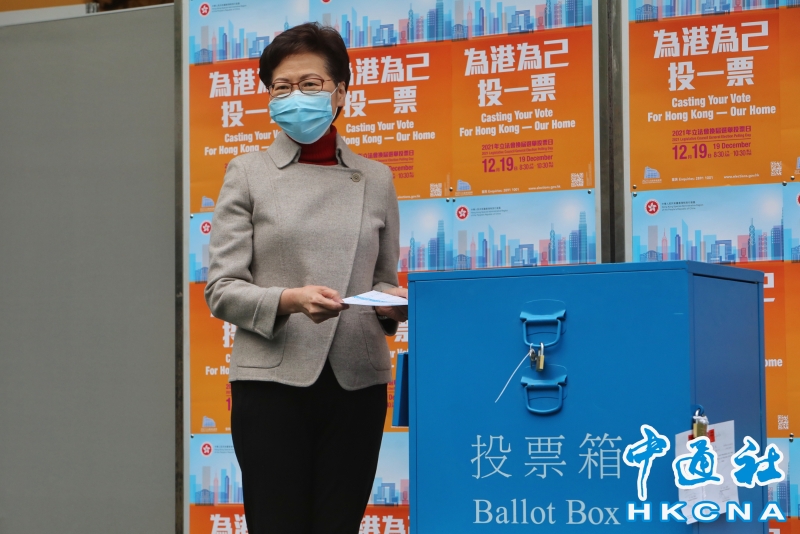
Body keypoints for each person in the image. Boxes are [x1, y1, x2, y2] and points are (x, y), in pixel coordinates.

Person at [204, 22, 407, 534]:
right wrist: (291, 300)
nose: (296, 96)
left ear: (340, 91)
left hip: (356, 381)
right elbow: (222, 288)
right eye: (282, 87)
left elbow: (382, 279)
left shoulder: (377, 177)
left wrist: (392, 304)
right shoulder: (247, 172)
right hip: (273, 382)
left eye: (310, 84)